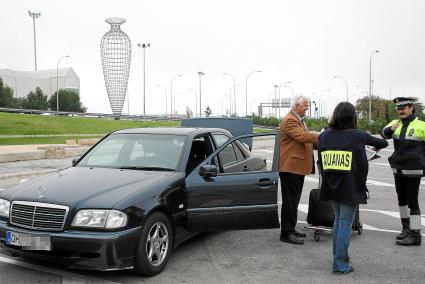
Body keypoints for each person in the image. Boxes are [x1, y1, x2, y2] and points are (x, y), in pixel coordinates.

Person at [318, 102, 388, 274]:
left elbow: (320, 160)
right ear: (352, 117)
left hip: (331, 185)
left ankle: (339, 258)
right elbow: (383, 143)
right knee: (345, 223)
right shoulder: (358, 135)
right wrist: (371, 148)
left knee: (338, 220)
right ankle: (340, 263)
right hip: (350, 187)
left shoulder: (325, 135)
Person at [380, 97, 425, 246]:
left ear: (412, 107)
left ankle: (415, 234)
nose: (400, 110)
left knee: (413, 202)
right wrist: (391, 129)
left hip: (413, 169)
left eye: (404, 107)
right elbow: (384, 135)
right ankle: (406, 229)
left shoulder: (421, 125)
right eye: (398, 108)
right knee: (402, 201)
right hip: (398, 168)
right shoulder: (396, 123)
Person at [279, 94, 319, 245]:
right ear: (297, 105)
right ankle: (286, 233)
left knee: (293, 200)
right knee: (290, 201)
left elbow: (305, 139)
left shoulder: (297, 119)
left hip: (296, 168)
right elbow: (303, 137)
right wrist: (322, 136)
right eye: (305, 105)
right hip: (290, 168)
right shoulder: (290, 120)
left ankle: (291, 228)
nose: (307, 108)